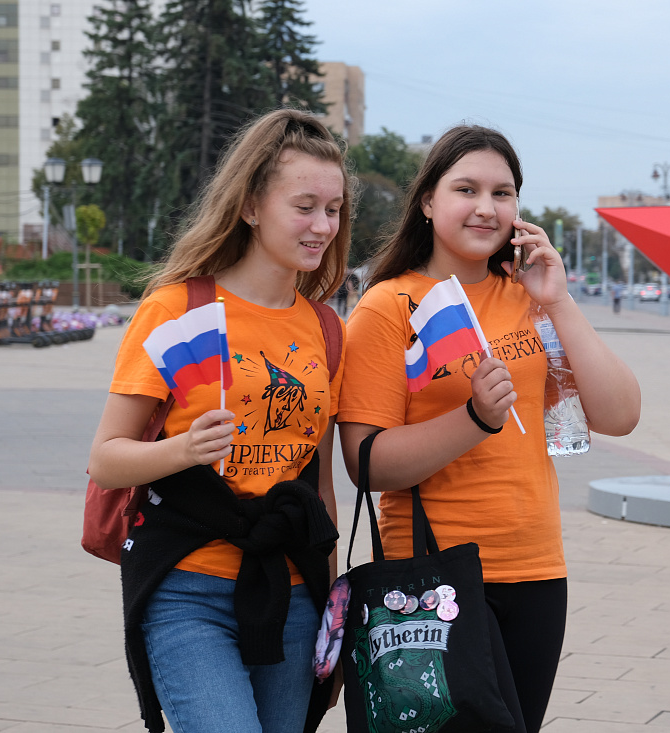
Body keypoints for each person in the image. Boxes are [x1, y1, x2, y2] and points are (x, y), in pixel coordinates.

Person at [337, 125, 641, 733]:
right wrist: (474, 419)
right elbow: (366, 463)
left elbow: (619, 415)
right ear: (428, 201)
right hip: (432, 577)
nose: (486, 207)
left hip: (536, 568)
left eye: (503, 193)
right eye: (466, 189)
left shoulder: (530, 299)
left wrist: (560, 300)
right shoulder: (390, 305)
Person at [88, 109, 353, 733]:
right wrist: (181, 449)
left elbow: (319, 487)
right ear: (251, 206)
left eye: (334, 210)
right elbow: (106, 458)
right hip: (187, 591)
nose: (323, 226)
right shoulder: (177, 310)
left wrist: (331, 614)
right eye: (305, 206)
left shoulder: (325, 328)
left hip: (292, 591)